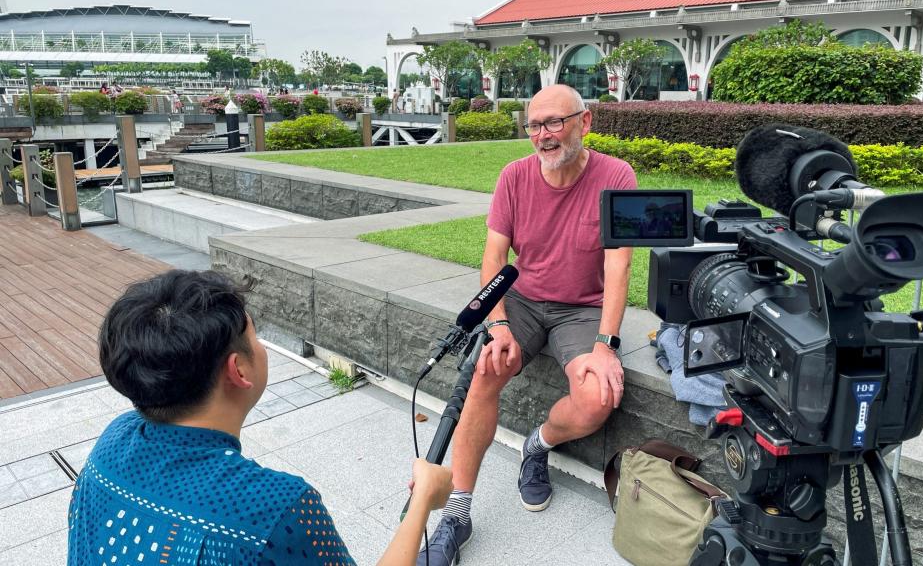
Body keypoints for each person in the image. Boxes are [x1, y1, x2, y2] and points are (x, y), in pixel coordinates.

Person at [68, 270, 453, 566]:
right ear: (238, 370)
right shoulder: (273, 507)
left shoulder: (112, 442)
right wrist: (422, 503)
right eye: (256, 337)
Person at [417, 84, 636, 565]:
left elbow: (619, 265)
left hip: (583, 309)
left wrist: (606, 343)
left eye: (555, 122)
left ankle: (538, 444)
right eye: (534, 126)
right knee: (484, 370)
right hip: (522, 300)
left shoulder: (617, 175)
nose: (543, 135)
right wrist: (496, 324)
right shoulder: (514, 177)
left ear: (585, 122)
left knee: (599, 397)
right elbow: (494, 258)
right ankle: (457, 511)